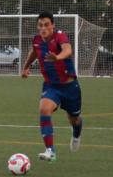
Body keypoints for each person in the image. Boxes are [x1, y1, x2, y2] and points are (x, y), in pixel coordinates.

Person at [21, 11, 83, 162]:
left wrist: (58, 57)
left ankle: (76, 133)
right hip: (51, 86)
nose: (44, 28)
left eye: (47, 25)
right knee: (44, 109)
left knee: (74, 119)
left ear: (53, 25)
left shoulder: (59, 36)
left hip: (70, 87)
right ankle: (50, 151)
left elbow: (68, 50)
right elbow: (34, 52)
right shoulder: (37, 40)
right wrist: (26, 67)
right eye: (41, 25)